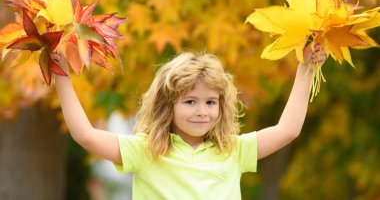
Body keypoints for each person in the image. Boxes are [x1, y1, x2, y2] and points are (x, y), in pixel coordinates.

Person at [52, 43, 326, 200]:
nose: (202, 111)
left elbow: (288, 130)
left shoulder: (233, 150)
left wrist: (307, 67)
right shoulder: (146, 150)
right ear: (168, 105)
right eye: (190, 101)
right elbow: (85, 135)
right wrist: (61, 75)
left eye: (210, 102)